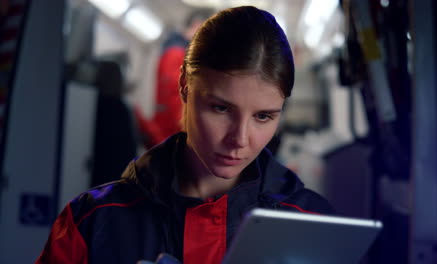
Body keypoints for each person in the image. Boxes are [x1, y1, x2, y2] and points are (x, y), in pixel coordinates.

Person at [36, 6, 334, 264]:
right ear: (184, 87)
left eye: (263, 116)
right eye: (220, 108)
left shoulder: (314, 224)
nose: (240, 139)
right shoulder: (91, 221)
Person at [134, 8, 213, 148]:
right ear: (197, 25)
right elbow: (175, 101)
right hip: (168, 138)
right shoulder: (175, 55)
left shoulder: (179, 55)